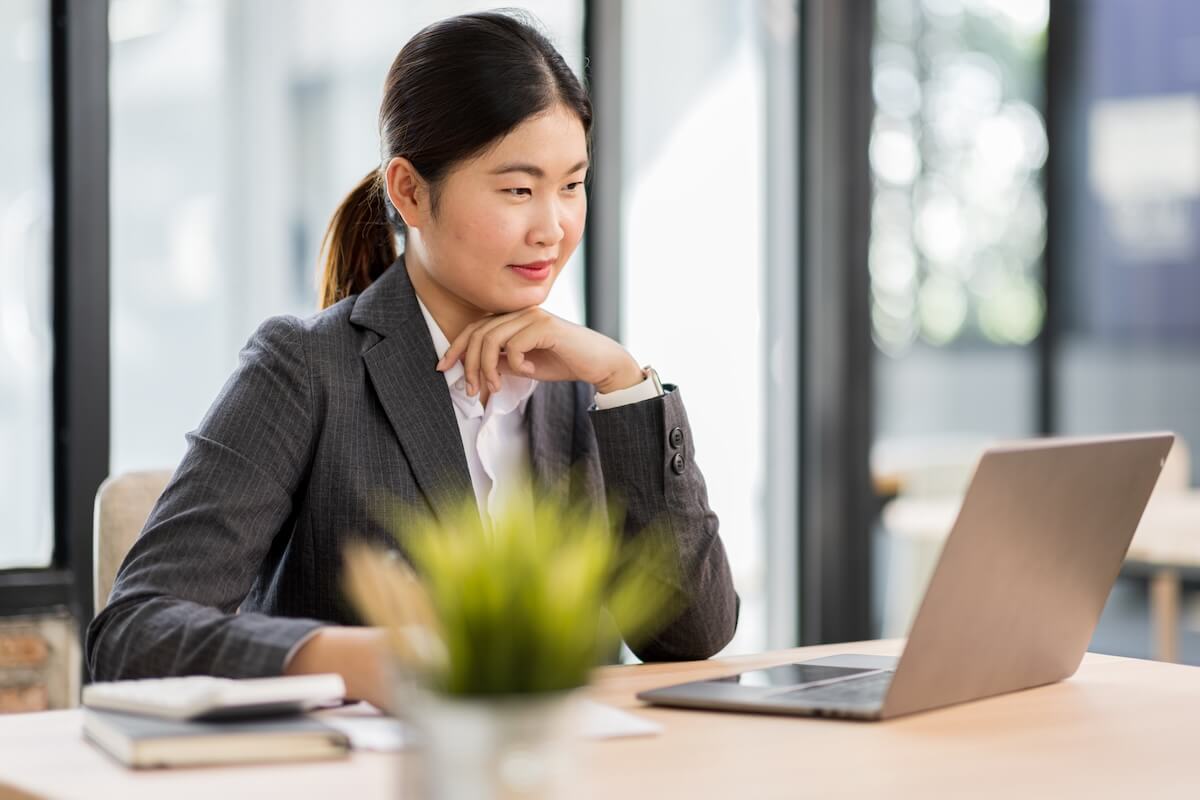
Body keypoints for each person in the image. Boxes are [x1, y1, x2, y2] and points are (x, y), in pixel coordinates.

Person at [86, 10, 738, 710]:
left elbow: (690, 637)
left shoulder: (582, 388)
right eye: (518, 189)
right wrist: (345, 658)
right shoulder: (305, 370)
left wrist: (622, 385)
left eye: (571, 185)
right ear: (409, 191)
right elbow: (131, 637)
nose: (552, 226)